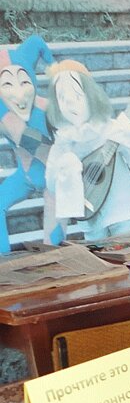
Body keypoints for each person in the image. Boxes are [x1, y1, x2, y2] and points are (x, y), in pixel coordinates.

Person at [44, 59, 130, 240]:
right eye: (62, 98)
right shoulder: (64, 142)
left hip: (120, 211)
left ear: (91, 96)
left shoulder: (112, 129)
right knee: (97, 253)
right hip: (90, 217)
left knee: (128, 249)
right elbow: (52, 184)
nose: (70, 104)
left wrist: (129, 135)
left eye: (77, 95)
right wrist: (66, 168)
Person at [0, 34, 53, 252]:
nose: (19, 93)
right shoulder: (4, 113)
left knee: (53, 246)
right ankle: (3, 261)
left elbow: (46, 151)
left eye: (24, 81)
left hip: (53, 176)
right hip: (26, 176)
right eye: (7, 84)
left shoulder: (47, 107)